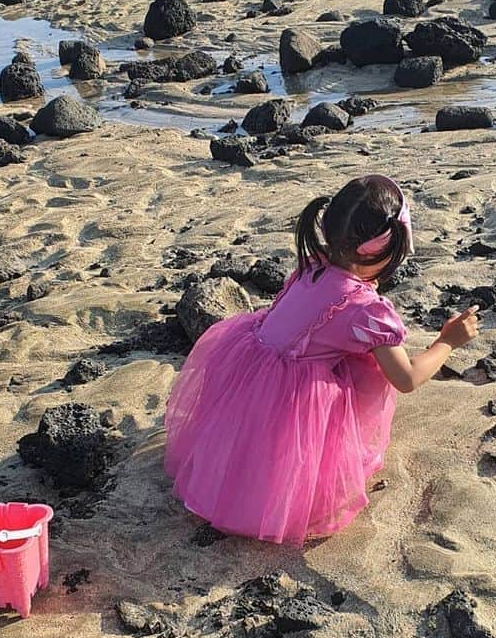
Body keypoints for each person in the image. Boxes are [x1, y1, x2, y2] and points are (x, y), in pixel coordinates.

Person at [164, 174, 479, 545]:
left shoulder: (313, 266)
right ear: (383, 250)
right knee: (369, 368)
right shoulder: (363, 309)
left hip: (247, 384)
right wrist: (447, 342)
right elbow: (406, 378)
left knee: (346, 357)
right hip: (286, 416)